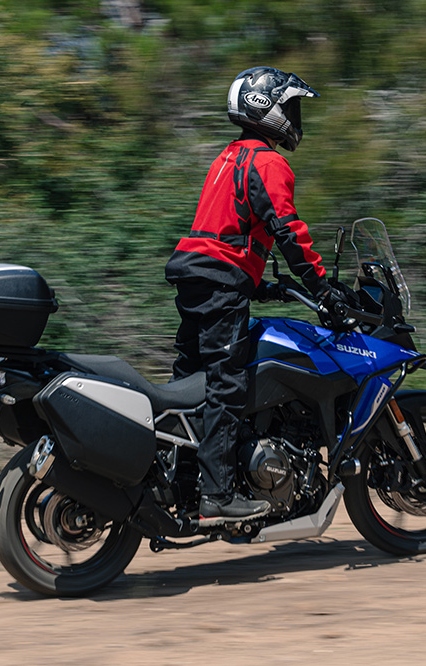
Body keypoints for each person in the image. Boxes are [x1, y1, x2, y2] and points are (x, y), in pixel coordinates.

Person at [165, 66, 344, 523]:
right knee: (227, 385)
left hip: (198, 279)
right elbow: (289, 233)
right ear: (268, 109)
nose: (296, 117)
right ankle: (218, 495)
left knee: (191, 384)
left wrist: (257, 283)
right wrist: (323, 289)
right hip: (219, 283)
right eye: (292, 106)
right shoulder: (268, 162)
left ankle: (180, 483)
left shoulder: (228, 157)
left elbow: (223, 231)